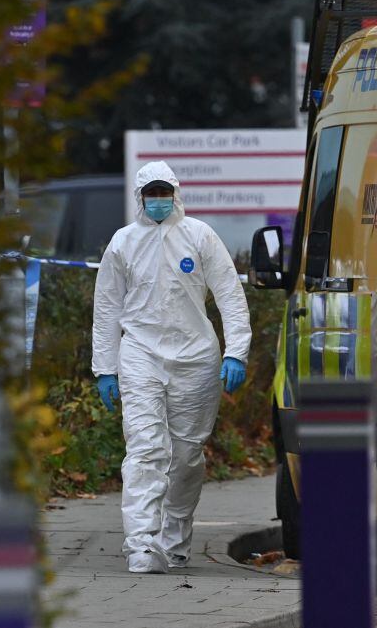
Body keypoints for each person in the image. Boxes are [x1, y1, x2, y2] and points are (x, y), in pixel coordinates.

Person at [91, 161, 251, 574]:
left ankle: (174, 542)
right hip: (141, 353)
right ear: (140, 198)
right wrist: (105, 367)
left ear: (175, 194)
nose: (159, 201)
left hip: (196, 358)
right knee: (145, 448)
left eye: (165, 193)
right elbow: (107, 308)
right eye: (152, 194)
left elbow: (230, 295)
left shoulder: (199, 236)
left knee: (186, 456)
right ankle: (141, 543)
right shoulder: (123, 243)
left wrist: (237, 351)